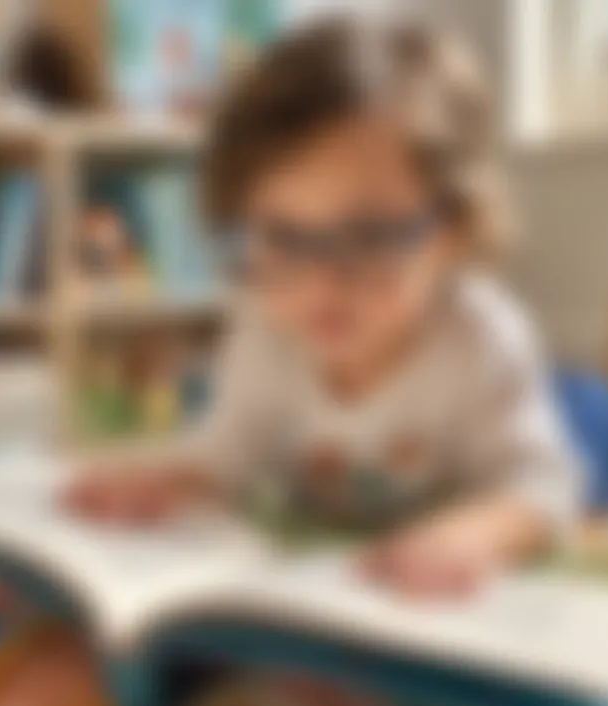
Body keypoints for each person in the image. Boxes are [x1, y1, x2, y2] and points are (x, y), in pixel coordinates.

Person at [69, 16, 579, 597]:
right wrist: (169, 483)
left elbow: (544, 488)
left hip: (478, 464)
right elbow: (229, 454)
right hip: (342, 581)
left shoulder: (484, 338)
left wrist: (479, 531)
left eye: (367, 236)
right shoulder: (264, 331)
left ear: (454, 229)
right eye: (283, 238)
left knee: (589, 424)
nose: (321, 284)